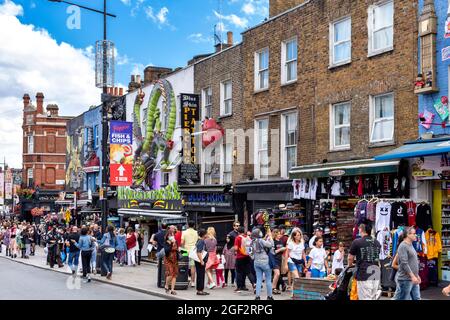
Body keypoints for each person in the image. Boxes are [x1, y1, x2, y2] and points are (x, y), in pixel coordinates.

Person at [348, 223, 381, 300]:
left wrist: (350, 265)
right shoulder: (377, 242)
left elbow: (350, 257)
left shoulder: (357, 242)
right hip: (376, 274)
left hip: (364, 274)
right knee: (373, 298)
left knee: (365, 298)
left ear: (361, 230)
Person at [394, 227, 421, 300]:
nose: (416, 235)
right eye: (414, 234)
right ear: (408, 235)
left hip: (413, 278)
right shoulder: (403, 246)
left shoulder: (410, 245)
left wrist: (416, 275)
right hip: (405, 279)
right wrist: (412, 276)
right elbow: (404, 263)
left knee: (417, 298)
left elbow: (412, 262)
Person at [251, 228, 274, 300]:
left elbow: (250, 253)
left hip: (256, 262)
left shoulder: (252, 242)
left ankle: (257, 296)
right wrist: (270, 237)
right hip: (265, 262)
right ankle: (269, 296)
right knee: (268, 279)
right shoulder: (261, 240)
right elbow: (270, 245)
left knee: (258, 279)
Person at [234, 226, 256, 293]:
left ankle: (239, 287)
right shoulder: (248, 237)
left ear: (238, 232)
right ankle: (253, 283)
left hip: (240, 257)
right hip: (247, 257)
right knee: (248, 272)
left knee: (239, 272)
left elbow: (236, 248)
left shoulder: (238, 238)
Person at [181, 221, 199, 288]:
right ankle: (193, 282)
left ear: (188, 225)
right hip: (193, 251)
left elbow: (182, 242)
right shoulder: (196, 232)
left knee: (184, 265)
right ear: (194, 225)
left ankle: (185, 279)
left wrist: (182, 249)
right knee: (192, 267)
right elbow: (198, 241)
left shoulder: (184, 232)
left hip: (185, 251)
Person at [163, 228, 179, 295]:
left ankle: (172, 289)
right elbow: (166, 251)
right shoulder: (167, 242)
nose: (172, 236)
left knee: (174, 275)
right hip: (168, 259)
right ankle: (166, 285)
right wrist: (171, 244)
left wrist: (186, 253)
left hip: (175, 259)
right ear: (167, 235)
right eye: (170, 234)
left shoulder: (176, 242)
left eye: (172, 234)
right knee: (170, 273)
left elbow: (178, 249)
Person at [195, 228, 210, 296]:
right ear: (204, 235)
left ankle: (200, 290)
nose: (207, 234)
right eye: (206, 233)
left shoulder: (200, 240)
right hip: (200, 261)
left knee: (200, 275)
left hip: (199, 260)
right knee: (200, 275)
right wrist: (201, 261)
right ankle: (200, 290)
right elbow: (199, 252)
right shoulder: (201, 241)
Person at [271, 229, 286, 295]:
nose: (280, 235)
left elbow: (282, 250)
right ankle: (281, 284)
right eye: (279, 234)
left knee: (277, 274)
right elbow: (273, 252)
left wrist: (284, 249)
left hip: (280, 259)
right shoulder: (273, 242)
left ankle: (276, 288)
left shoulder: (280, 241)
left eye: (280, 234)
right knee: (277, 273)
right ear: (275, 234)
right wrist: (280, 249)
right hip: (274, 259)